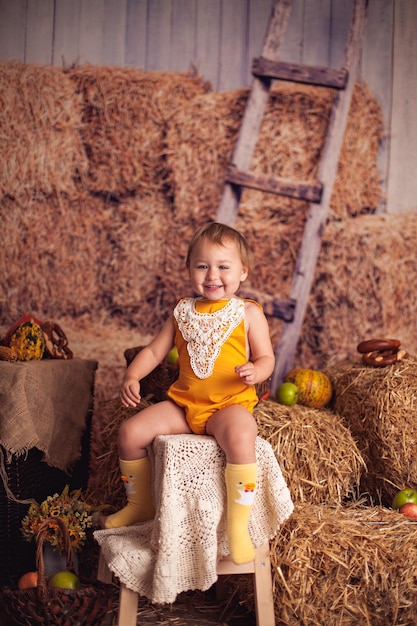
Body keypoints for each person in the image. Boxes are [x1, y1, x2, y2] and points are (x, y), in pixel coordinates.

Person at [103, 221, 275, 565]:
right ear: (189, 270)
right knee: (130, 432)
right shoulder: (182, 312)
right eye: (202, 266)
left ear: (243, 272)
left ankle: (238, 525)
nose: (213, 275)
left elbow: (267, 357)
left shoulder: (247, 313)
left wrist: (257, 371)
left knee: (242, 435)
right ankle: (139, 505)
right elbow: (154, 351)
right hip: (183, 405)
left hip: (228, 405)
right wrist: (133, 375)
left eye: (223, 266)